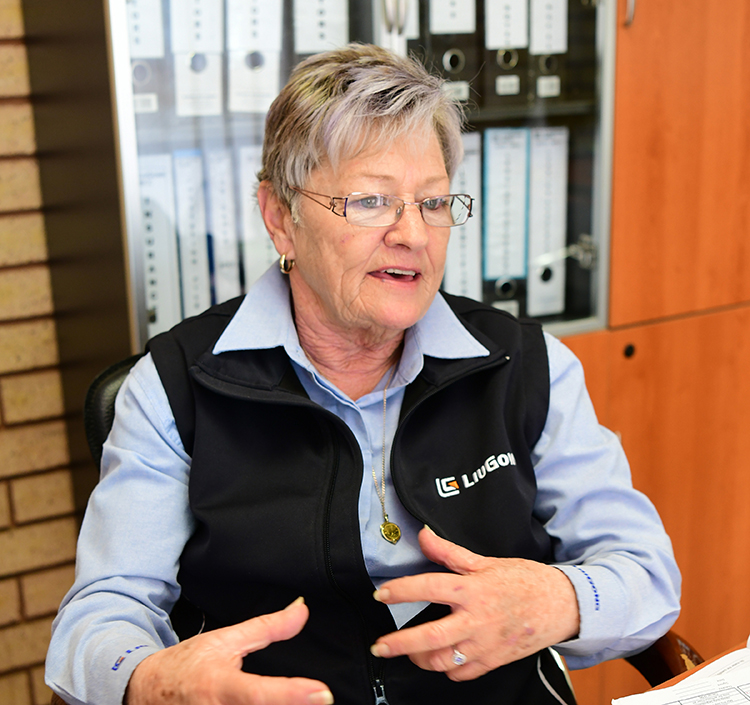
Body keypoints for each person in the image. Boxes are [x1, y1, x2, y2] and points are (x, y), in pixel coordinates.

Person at [46, 43, 680, 705]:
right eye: (373, 200)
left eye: (433, 202)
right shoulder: (175, 388)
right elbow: (100, 615)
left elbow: (647, 574)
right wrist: (154, 681)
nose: (414, 234)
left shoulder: (525, 365)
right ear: (280, 218)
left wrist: (555, 600)